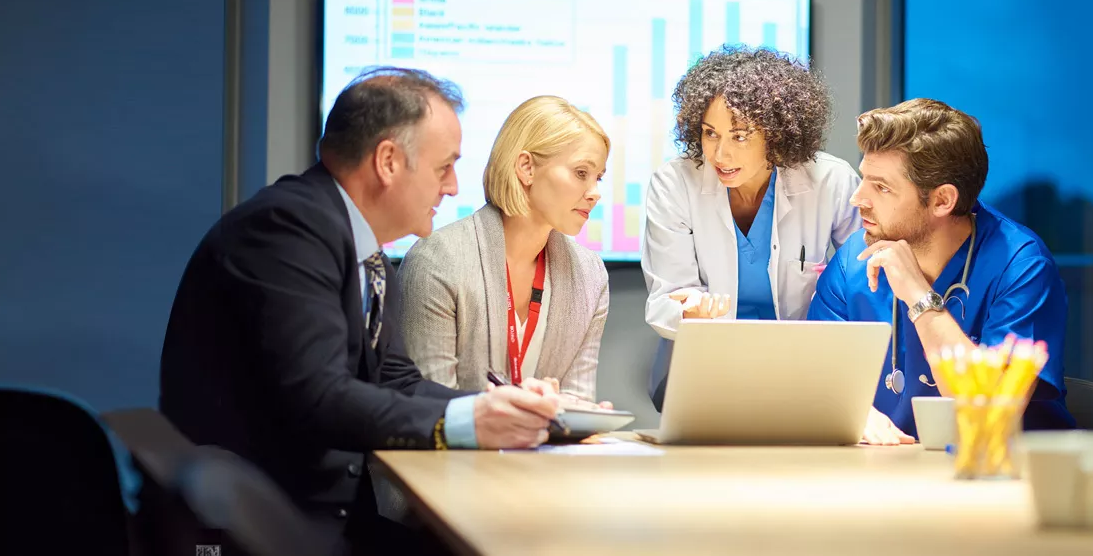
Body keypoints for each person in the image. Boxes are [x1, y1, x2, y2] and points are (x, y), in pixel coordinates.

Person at [159, 68, 562, 555]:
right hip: (264, 524)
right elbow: (320, 397)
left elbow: (397, 379)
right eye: (444, 168)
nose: (454, 187)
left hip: (314, 512)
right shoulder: (286, 229)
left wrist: (503, 407)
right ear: (388, 161)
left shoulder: (358, 244)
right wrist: (470, 422)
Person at [807, 98, 1076, 446]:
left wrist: (920, 298)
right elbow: (815, 381)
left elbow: (988, 411)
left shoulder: (1021, 266)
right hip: (886, 478)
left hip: (1002, 481)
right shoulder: (852, 262)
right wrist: (855, 415)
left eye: (882, 187)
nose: (858, 198)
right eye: (863, 180)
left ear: (942, 201)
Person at [641, 46, 862, 410]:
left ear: (775, 136)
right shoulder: (675, 183)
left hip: (802, 371)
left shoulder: (830, 181)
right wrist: (690, 311)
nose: (719, 154)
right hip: (705, 372)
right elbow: (666, 299)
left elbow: (867, 282)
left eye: (740, 136)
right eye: (710, 133)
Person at [392, 95, 612, 407]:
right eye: (581, 173)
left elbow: (576, 401)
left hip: (546, 454)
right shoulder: (438, 259)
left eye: (598, 177)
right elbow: (428, 408)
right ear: (526, 168)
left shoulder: (590, 274)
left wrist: (585, 413)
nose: (595, 193)